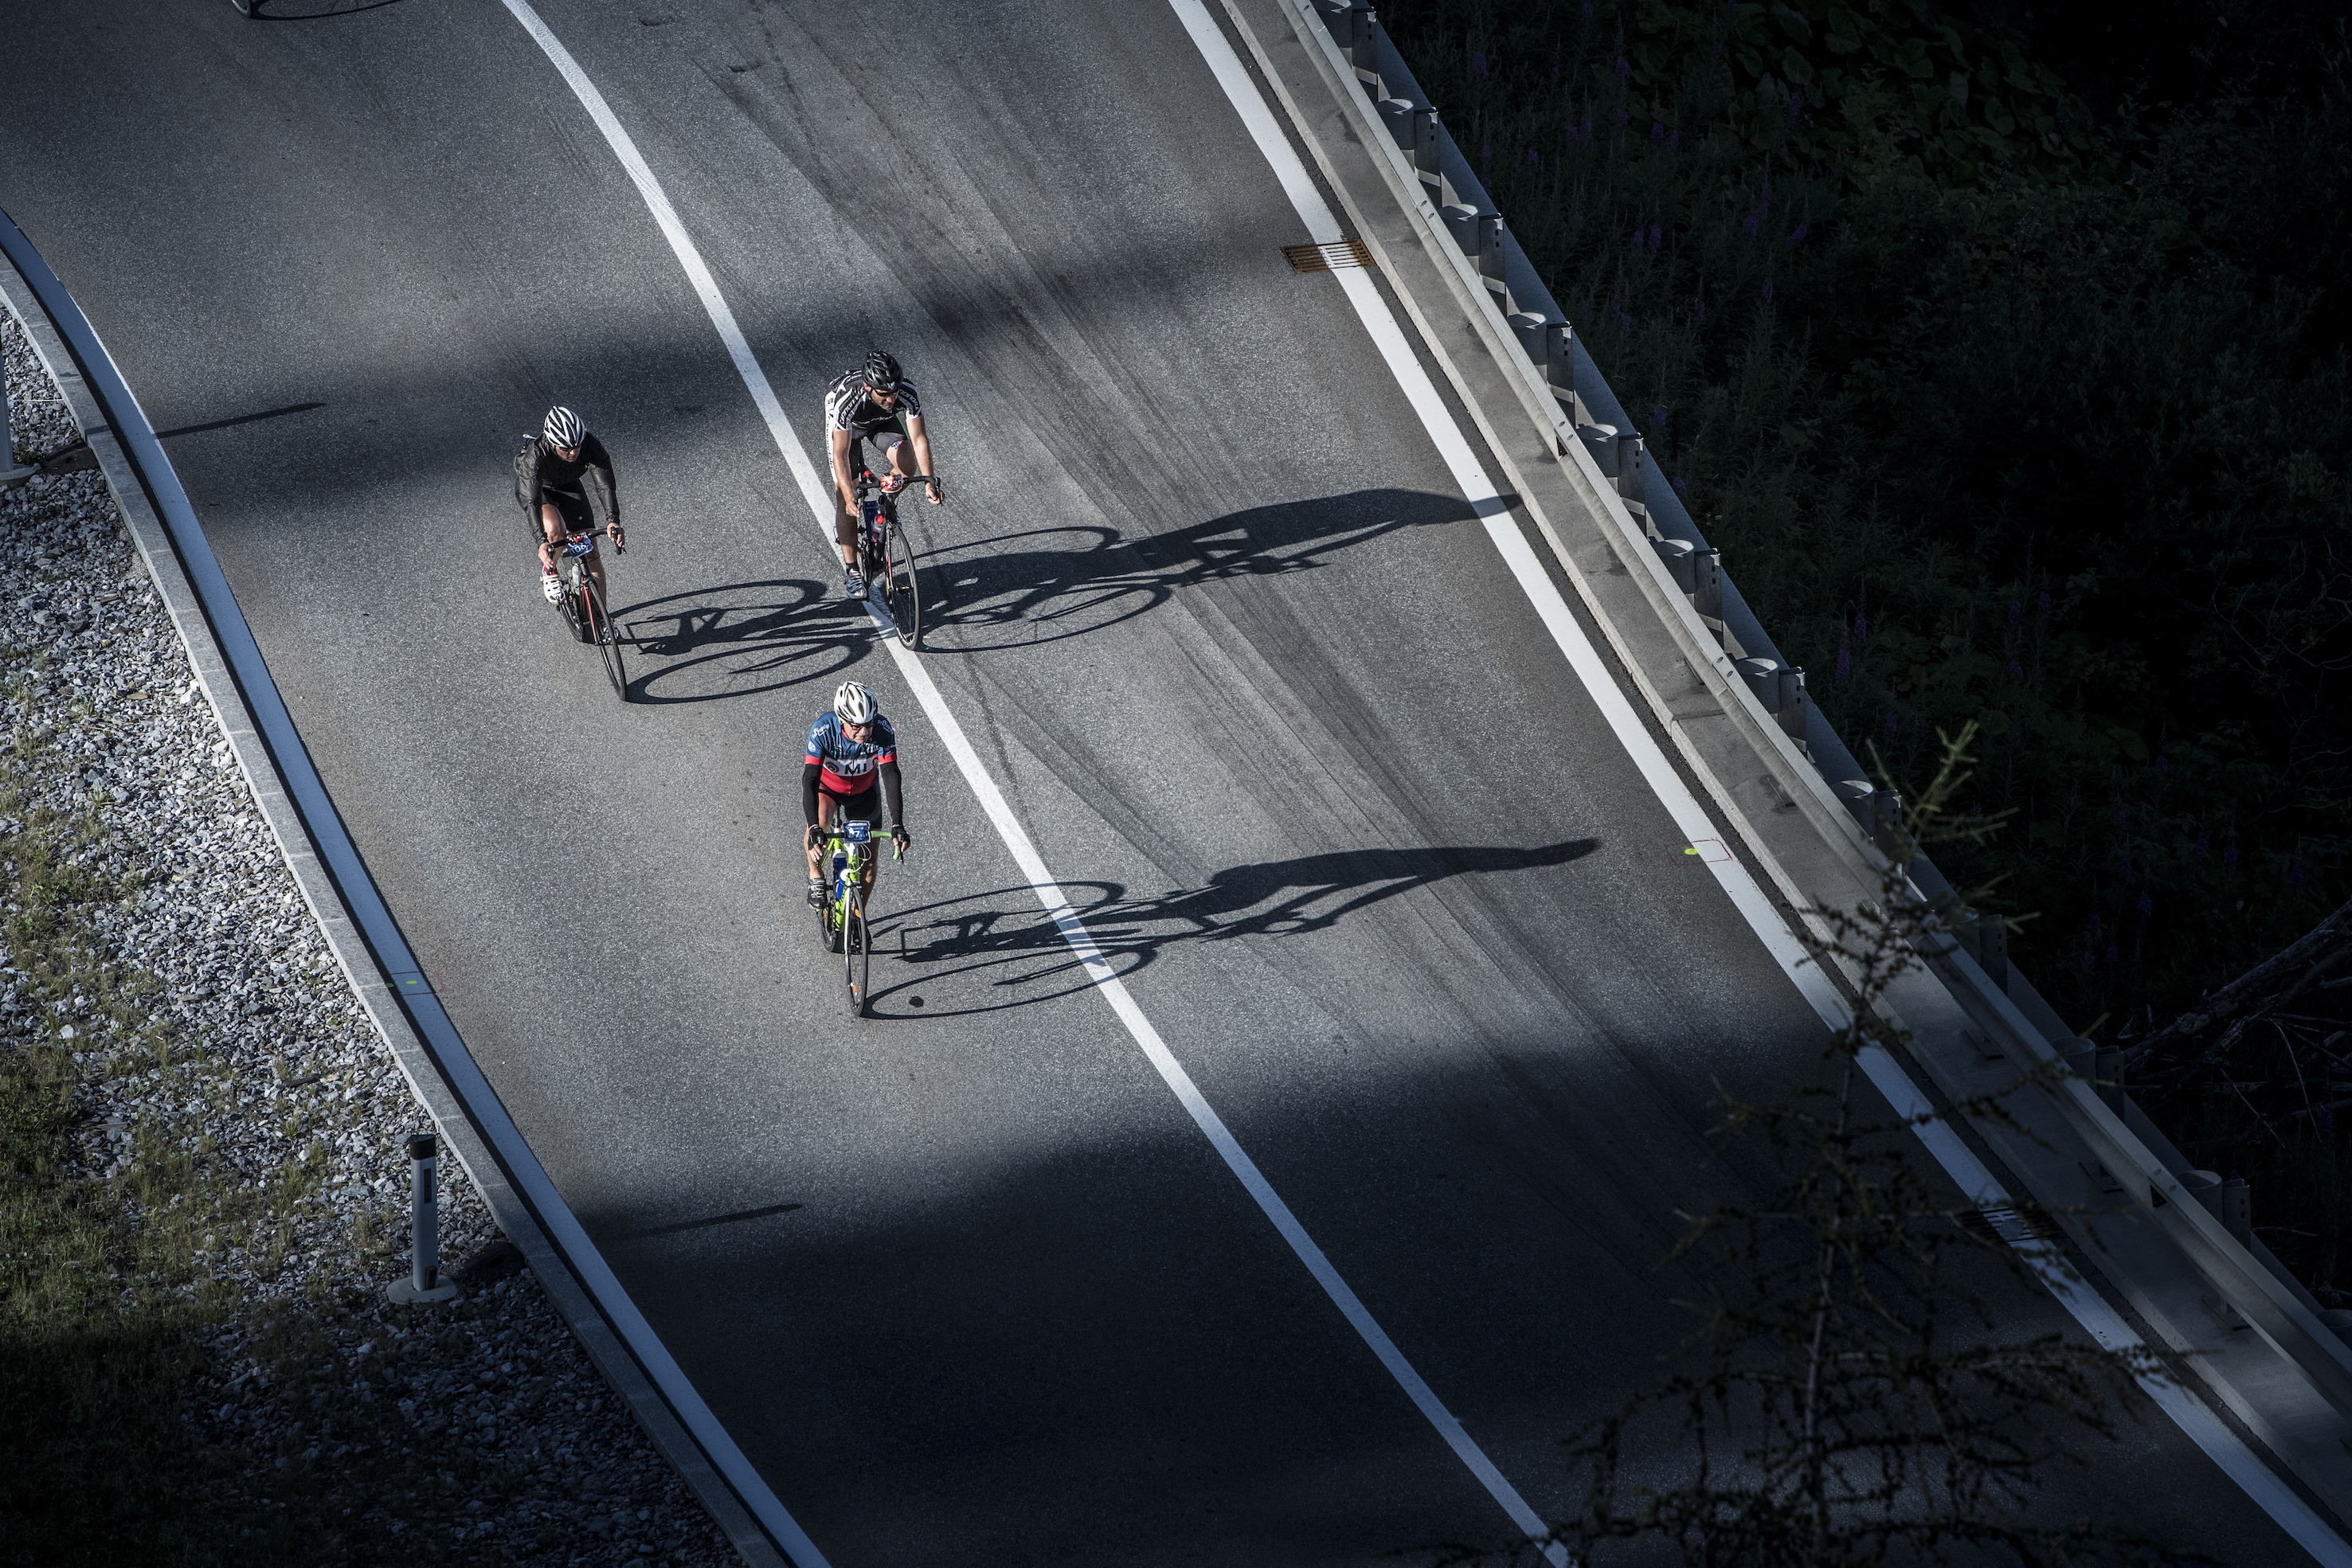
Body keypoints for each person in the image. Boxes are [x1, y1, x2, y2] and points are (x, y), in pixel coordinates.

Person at [824, 350, 942, 600]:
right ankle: (853, 570)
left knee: (907, 458)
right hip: (850, 428)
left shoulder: (906, 393)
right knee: (847, 498)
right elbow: (840, 453)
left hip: (881, 423)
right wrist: (848, 493)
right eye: (884, 394)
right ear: (868, 387)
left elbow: (919, 439)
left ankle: (884, 503)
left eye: (894, 392)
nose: (891, 399)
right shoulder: (847, 400)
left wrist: (929, 481)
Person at [803, 679, 910, 909]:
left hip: (864, 793)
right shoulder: (823, 730)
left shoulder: (881, 730)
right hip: (828, 790)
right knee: (821, 824)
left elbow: (890, 773)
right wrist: (813, 827)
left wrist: (897, 824)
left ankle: (857, 916)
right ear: (842, 720)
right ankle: (815, 875)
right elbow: (810, 779)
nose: (864, 732)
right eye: (856, 726)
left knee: (870, 862)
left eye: (868, 725)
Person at [515, 406, 624, 604]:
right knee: (557, 530)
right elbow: (531, 502)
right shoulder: (536, 456)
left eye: (577, 446)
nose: (574, 452)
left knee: (591, 552)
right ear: (553, 443)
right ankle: (549, 570)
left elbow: (605, 485)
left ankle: (602, 619)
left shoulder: (589, 445)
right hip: (539, 489)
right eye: (566, 448)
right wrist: (541, 541)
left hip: (567, 484)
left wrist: (613, 521)